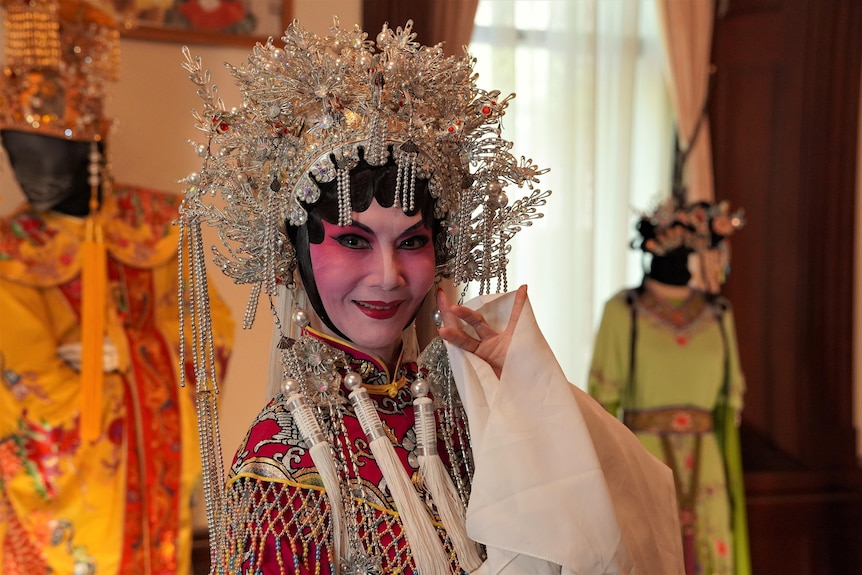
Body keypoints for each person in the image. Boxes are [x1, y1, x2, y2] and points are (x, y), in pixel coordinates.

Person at [180, 18, 685, 575]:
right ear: (293, 253)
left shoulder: (464, 414)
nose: (389, 276)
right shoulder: (280, 460)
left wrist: (527, 386)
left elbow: (615, 531)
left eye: (413, 241)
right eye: (353, 240)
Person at [0, 0, 234, 573]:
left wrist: (125, 355)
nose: (31, 173)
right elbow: (25, 381)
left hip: (152, 464)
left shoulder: (159, 223)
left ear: (92, 145)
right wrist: (133, 366)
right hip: (63, 487)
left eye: (48, 152)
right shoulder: (9, 251)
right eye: (15, 153)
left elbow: (212, 329)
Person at [588, 199, 751, 575]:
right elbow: (601, 408)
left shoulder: (718, 313)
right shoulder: (623, 311)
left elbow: (729, 403)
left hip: (708, 459)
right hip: (643, 454)